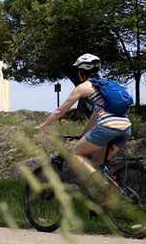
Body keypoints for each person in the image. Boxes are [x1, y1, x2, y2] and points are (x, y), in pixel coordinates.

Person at [33, 54, 132, 198]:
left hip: (107, 127)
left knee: (74, 153)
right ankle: (108, 200)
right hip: (126, 128)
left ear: (81, 71)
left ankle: (101, 185)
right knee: (96, 164)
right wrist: (82, 135)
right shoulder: (106, 85)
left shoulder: (84, 86)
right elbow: (94, 116)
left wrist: (41, 126)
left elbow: (61, 110)